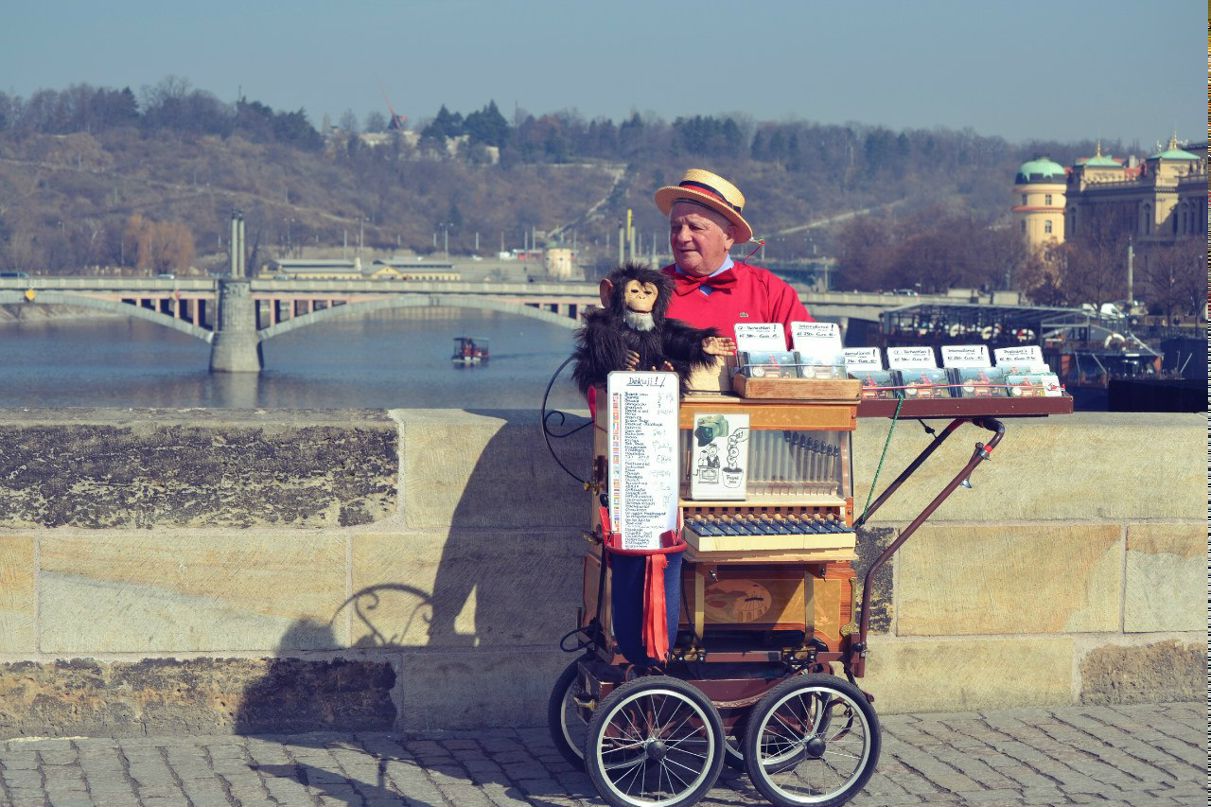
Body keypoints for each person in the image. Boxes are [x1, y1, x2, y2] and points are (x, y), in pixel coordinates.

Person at [654, 168, 813, 345]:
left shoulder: (770, 292)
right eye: (676, 227)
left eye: (695, 227)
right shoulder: (647, 289)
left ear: (728, 237)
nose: (682, 237)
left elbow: (814, 357)